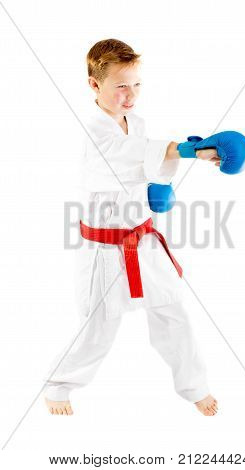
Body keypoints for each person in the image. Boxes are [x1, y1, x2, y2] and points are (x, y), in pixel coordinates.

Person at [44, 39, 220, 416]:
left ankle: (194, 386)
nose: (131, 95)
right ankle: (59, 387)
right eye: (121, 86)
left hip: (143, 238)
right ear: (94, 85)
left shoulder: (135, 122)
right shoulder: (91, 129)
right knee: (98, 328)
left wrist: (164, 181)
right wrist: (184, 152)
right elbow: (123, 160)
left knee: (173, 311)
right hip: (105, 250)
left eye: (137, 85)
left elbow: (145, 163)